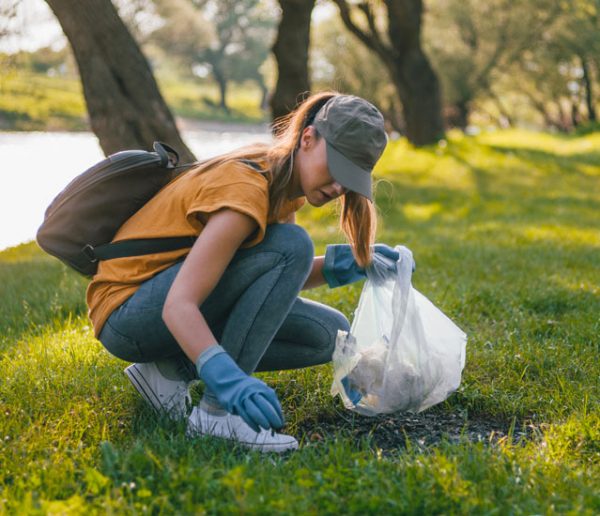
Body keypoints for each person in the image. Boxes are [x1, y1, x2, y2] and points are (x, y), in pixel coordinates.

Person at [87, 92, 400, 453]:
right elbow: (179, 304)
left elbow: (266, 284)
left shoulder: (281, 179)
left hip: (156, 304)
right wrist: (227, 381)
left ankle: (168, 371)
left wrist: (338, 268)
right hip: (128, 314)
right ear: (309, 138)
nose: (337, 188)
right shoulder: (246, 190)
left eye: (350, 180)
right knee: (293, 245)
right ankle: (217, 418)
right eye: (336, 169)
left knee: (328, 335)